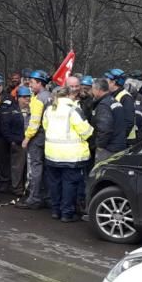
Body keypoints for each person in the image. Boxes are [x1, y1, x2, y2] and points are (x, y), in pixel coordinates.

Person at [42, 86, 93, 222]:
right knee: (69, 184)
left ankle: (55, 210)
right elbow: (86, 131)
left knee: (55, 184)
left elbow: (46, 127)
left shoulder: (49, 109)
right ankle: (66, 213)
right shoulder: (74, 110)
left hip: (52, 153)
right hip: (71, 155)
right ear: (70, 95)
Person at [17, 70, 51, 209]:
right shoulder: (50, 96)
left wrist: (27, 138)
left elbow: (34, 122)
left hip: (37, 138)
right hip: (49, 138)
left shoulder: (38, 99)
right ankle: (46, 196)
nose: (30, 85)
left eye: (32, 82)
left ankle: (34, 198)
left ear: (39, 83)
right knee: (47, 168)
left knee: (36, 168)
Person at [0, 86, 31, 199]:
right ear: (18, 98)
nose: (27, 99)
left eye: (28, 97)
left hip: (30, 141)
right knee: (17, 166)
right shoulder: (11, 109)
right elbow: (5, 126)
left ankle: (27, 188)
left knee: (29, 167)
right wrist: (12, 140)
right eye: (24, 97)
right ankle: (17, 188)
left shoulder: (32, 109)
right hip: (18, 142)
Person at [90, 78, 127, 162]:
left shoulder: (104, 105)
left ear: (98, 90)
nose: (92, 92)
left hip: (108, 149)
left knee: (102, 173)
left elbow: (105, 129)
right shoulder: (113, 101)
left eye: (93, 89)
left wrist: (98, 146)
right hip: (119, 146)